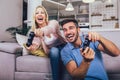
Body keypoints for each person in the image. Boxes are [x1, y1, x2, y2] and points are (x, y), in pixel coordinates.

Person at [25, 5, 66, 80]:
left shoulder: (53, 23)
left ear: (45, 16)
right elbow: (47, 52)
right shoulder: (36, 33)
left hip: (64, 46)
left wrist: (42, 32)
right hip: (55, 51)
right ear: (35, 17)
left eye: (42, 13)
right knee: (54, 51)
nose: (40, 14)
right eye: (37, 13)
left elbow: (50, 28)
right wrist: (31, 48)